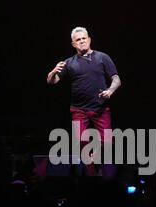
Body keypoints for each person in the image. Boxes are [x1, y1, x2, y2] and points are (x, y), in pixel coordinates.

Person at [47, 27, 121, 176]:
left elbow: (116, 79)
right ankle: (92, 175)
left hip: (100, 109)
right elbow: (52, 81)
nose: (81, 41)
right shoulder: (69, 62)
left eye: (83, 38)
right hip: (79, 110)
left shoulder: (102, 57)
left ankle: (96, 162)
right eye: (78, 40)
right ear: (73, 44)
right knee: (81, 142)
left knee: (107, 142)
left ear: (89, 40)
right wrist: (53, 72)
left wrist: (110, 91)